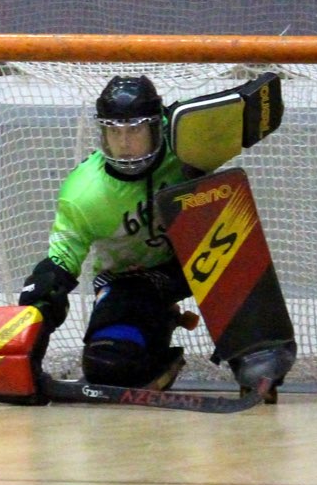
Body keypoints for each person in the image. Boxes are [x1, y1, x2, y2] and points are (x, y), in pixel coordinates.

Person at [16, 75, 294, 397]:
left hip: (205, 256)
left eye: (135, 131)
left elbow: (253, 112)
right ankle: (160, 345)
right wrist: (32, 324)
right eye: (114, 132)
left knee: (220, 204)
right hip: (133, 279)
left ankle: (256, 350)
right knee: (107, 365)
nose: (124, 143)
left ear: (157, 127)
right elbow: (59, 264)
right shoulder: (83, 193)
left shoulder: (186, 145)